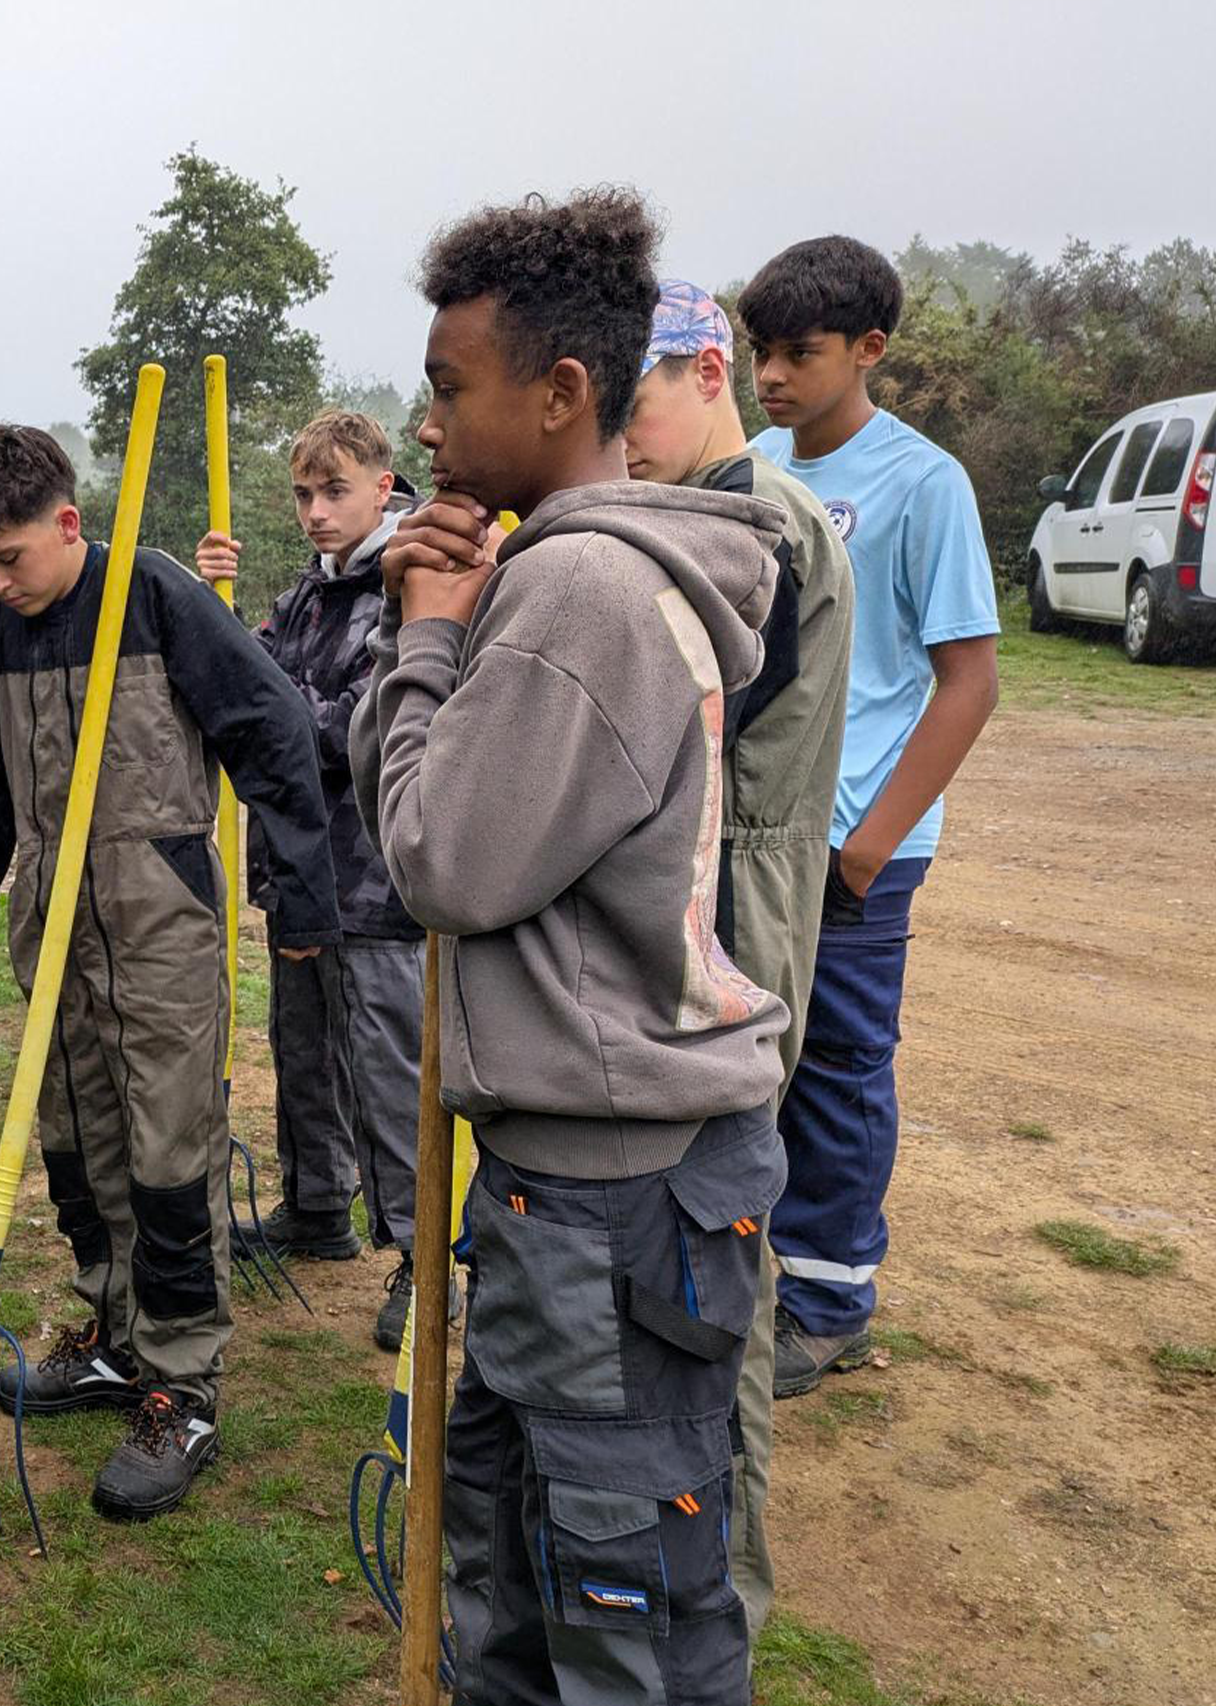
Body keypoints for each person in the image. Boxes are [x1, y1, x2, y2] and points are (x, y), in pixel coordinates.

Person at [348, 188, 790, 1702]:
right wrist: (429, 625)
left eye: (452, 385)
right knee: (534, 1553)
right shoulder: (558, 574)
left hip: (616, 1195)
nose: (432, 413)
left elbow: (441, 858)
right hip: (586, 1178)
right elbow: (426, 792)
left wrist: (424, 637)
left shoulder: (581, 590)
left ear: (561, 393)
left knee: (625, 1595)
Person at [0, 424, 337, 1521]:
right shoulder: (2, 634)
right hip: (51, 926)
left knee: (167, 1154)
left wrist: (296, 896)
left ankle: (183, 1381)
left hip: (158, 923)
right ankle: (112, 1336)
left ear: (68, 523)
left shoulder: (153, 596)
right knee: (78, 1140)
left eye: (9, 557)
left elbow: (274, 731)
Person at [622, 279, 856, 1636]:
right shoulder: (716, 510)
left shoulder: (753, 524)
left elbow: (668, 715)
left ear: (705, 371)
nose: (622, 428)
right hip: (719, 919)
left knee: (723, 1272)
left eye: (635, 393)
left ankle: (724, 1601)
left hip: (738, 936)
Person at [738, 237, 1001, 1399]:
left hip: (857, 848)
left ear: (868, 350)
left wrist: (872, 840)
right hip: (756, 827)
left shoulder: (922, 482)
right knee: (754, 1054)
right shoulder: (746, 467)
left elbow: (968, 680)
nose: (772, 376)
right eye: (759, 353)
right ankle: (754, 1271)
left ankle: (833, 1295)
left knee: (838, 1066)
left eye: (799, 353)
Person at [194, 409, 435, 1350]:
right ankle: (317, 1207)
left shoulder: (411, 587)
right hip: (300, 869)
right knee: (301, 1048)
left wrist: (258, 683)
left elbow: (344, 729)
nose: (315, 512)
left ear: (383, 485)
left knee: (388, 1070)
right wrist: (217, 608)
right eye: (302, 494)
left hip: (376, 877)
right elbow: (256, 678)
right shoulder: (310, 592)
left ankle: (423, 1262)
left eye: (333, 491)